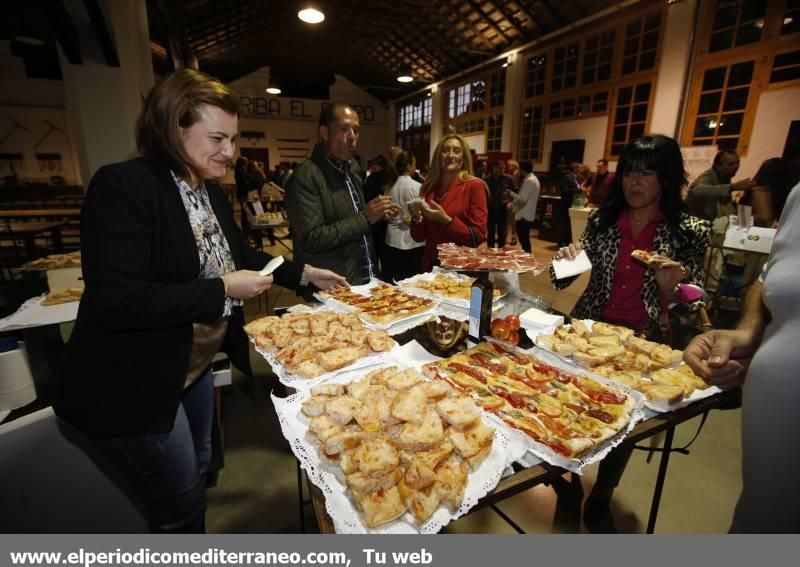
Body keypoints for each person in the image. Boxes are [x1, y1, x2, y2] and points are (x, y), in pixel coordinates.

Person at [53, 69, 347, 534]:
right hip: (133, 383)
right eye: (217, 137)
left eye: (232, 138)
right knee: (179, 503)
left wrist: (303, 273)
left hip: (190, 369)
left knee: (200, 466)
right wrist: (221, 289)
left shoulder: (206, 190)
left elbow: (240, 254)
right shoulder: (124, 185)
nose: (229, 152)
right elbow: (120, 301)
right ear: (174, 128)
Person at [551, 134, 710, 532]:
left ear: (668, 178)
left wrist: (673, 286)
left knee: (625, 426)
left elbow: (695, 301)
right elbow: (562, 279)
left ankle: (602, 494)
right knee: (574, 407)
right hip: (589, 332)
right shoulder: (603, 221)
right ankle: (572, 477)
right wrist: (562, 261)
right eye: (628, 173)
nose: (633, 183)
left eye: (647, 173)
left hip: (643, 343)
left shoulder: (690, 230)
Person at [684, 181, 800, 533]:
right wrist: (751, 331)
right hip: (772, 413)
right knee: (759, 517)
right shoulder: (797, 194)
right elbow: (769, 277)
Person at [285, 103, 399, 285]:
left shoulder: (352, 169)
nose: (352, 136)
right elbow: (311, 239)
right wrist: (365, 218)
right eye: (343, 129)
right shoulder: (305, 177)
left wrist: (378, 216)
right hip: (332, 287)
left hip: (365, 279)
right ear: (324, 133)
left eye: (356, 130)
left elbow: (355, 226)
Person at [409, 134, 488, 271]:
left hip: (461, 268)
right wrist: (417, 218)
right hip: (431, 266)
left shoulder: (474, 186)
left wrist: (446, 220)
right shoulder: (428, 188)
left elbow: (478, 236)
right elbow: (418, 237)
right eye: (445, 150)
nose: (450, 155)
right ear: (438, 157)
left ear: (463, 158)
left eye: (456, 151)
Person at [383, 151, 425, 281]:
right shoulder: (418, 187)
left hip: (392, 238)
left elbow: (386, 214)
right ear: (408, 166)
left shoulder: (389, 188)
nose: (415, 167)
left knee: (394, 280)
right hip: (412, 240)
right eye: (414, 164)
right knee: (411, 281)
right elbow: (423, 214)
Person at [687, 150, 755, 220]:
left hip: (709, 222)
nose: (736, 166)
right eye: (731, 164)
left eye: (738, 162)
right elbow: (698, 190)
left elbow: (729, 212)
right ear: (718, 166)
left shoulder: (725, 177)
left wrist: (743, 201)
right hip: (695, 223)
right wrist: (733, 187)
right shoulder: (708, 176)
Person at [740, 157, 800, 228]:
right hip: (752, 232)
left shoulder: (755, 189)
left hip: (747, 230)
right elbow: (766, 218)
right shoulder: (759, 190)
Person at [508, 160, 540, 253]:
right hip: (526, 214)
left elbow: (522, 199)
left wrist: (511, 193)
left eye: (518, 168)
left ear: (522, 170)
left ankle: (528, 261)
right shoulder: (532, 179)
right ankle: (527, 260)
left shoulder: (530, 180)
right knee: (524, 241)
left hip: (524, 215)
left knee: (524, 241)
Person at [486, 160, 515, 248]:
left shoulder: (509, 179)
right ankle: (490, 253)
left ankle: (501, 254)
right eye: (500, 168)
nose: (503, 170)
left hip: (503, 208)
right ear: (494, 168)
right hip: (491, 208)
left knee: (502, 233)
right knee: (490, 232)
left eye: (503, 168)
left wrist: (510, 202)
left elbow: (514, 192)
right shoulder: (487, 180)